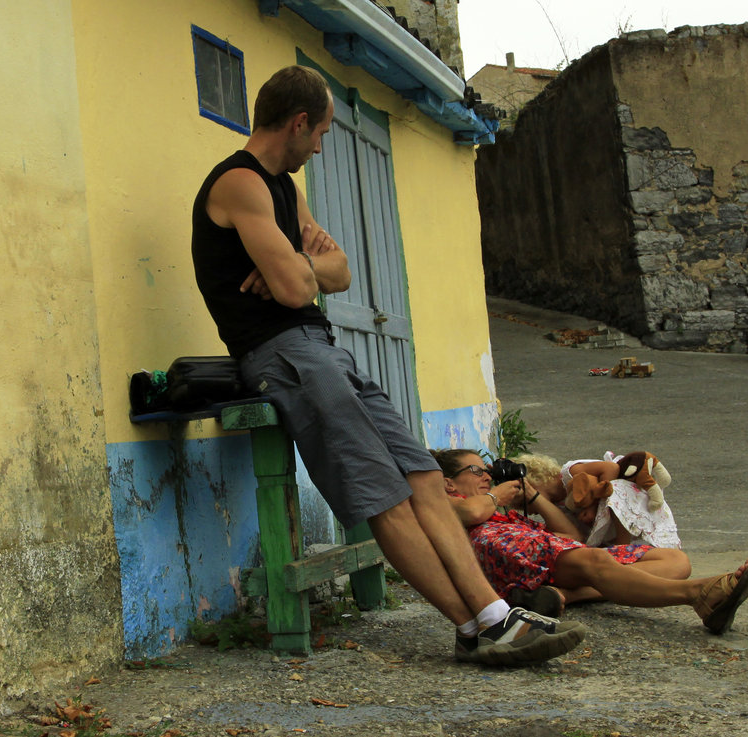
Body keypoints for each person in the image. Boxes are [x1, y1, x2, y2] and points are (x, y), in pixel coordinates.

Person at [190, 65, 586, 666]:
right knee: (384, 496)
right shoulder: (239, 184)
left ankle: (493, 614)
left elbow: (336, 272)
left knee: (424, 475)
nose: (322, 145)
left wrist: (295, 262)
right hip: (283, 356)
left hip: (323, 349)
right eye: (320, 132)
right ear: (298, 123)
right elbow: (298, 291)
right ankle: (472, 626)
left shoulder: (284, 189)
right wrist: (301, 271)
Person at [431, 448, 748, 634]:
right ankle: (700, 595)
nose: (487, 475)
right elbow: (470, 515)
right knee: (595, 561)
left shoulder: (497, 507)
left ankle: (564, 595)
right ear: (449, 484)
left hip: (535, 548)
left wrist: (532, 495)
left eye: (486, 470)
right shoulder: (450, 504)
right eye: (476, 471)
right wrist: (497, 494)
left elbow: (572, 535)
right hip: (503, 549)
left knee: (674, 560)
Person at [518, 452, 682, 549]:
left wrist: (594, 504)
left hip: (631, 502)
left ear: (535, 481)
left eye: (525, 504)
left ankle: (622, 547)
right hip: (613, 522)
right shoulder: (559, 507)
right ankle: (623, 547)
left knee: (613, 490)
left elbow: (611, 468)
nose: (532, 512)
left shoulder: (570, 472)